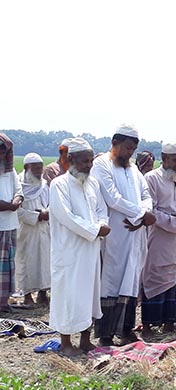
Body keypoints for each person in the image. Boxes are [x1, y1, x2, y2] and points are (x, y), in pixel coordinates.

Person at [90, 124, 154, 346]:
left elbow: (146, 195)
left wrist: (143, 215)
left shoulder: (134, 169)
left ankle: (126, 330)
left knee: (132, 280)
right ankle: (106, 335)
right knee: (112, 282)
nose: (130, 153)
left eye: (133, 149)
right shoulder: (101, 165)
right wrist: (141, 216)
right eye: (127, 148)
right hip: (115, 235)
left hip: (135, 235)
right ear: (115, 143)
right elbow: (112, 198)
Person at [48, 137, 109, 355]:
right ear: (71, 159)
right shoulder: (59, 185)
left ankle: (85, 340)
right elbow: (67, 217)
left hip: (91, 251)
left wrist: (102, 224)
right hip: (69, 252)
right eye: (84, 161)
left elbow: (102, 210)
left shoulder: (92, 183)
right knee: (68, 295)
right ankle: (65, 343)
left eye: (91, 161)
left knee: (89, 296)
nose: (89, 166)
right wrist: (95, 230)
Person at [140, 144, 176, 340]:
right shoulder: (151, 178)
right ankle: (148, 325)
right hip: (159, 237)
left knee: (174, 279)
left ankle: (170, 322)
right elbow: (151, 212)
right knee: (154, 280)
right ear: (164, 158)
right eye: (175, 160)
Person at [16, 153, 51, 305]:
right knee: (25, 262)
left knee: (44, 261)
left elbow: (51, 203)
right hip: (25, 231)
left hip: (44, 230)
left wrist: (47, 213)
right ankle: (27, 296)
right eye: (35, 168)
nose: (39, 171)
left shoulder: (44, 185)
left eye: (40, 167)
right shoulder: (18, 185)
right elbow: (16, 210)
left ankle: (43, 293)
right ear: (26, 167)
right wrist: (35, 217)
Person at [0, 134, 23, 313]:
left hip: (9, 224)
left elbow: (18, 190)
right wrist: (10, 205)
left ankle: (3, 302)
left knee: (7, 265)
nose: (1, 154)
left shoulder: (10, 171)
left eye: (3, 151)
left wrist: (16, 201)